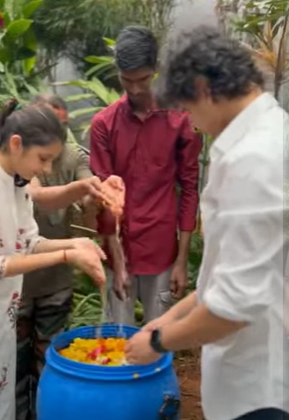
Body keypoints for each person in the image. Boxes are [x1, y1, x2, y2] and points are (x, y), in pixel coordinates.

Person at [124, 26, 289, 420]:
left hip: (254, 394)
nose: (190, 121)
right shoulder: (257, 137)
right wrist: (167, 318)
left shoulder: (254, 160)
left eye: (187, 108)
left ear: (202, 87)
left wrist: (159, 341)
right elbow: (226, 276)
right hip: (243, 380)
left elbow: (233, 306)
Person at [0, 98, 106, 420]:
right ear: (16, 144)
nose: (46, 170)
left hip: (2, 317)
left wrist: (78, 242)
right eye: (43, 159)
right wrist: (67, 255)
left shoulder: (17, 184)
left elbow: (28, 242)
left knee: (1, 403)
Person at [89, 26, 202, 325]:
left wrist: (182, 261)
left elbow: (190, 188)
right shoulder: (104, 124)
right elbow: (105, 199)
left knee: (159, 342)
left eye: (143, 79)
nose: (136, 89)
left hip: (162, 248)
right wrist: (117, 261)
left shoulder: (181, 120)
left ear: (156, 69)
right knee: (116, 343)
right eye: (127, 80)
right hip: (119, 250)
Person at [14, 94, 107, 420]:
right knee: (14, 360)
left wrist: (96, 195)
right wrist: (83, 190)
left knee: (48, 357)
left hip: (56, 280)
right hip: (18, 280)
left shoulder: (73, 156)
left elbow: (87, 186)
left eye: (60, 123)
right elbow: (37, 195)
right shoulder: (17, 162)